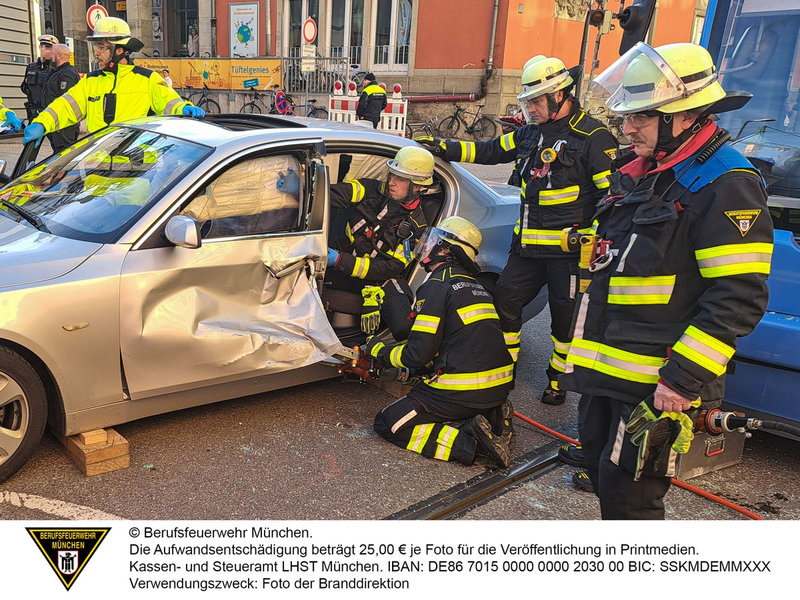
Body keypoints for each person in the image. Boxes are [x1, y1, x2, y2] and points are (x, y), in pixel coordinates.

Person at [559, 42, 773, 519]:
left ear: (687, 116)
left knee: (631, 501)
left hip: (656, 382)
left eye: (642, 116)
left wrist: (682, 380)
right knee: (602, 473)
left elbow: (738, 299)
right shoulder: (653, 172)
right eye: (628, 115)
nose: (627, 127)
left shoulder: (725, 183)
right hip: (610, 374)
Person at [417, 55, 618, 405]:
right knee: (506, 304)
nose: (532, 109)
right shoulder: (529, 135)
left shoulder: (593, 138)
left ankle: (558, 380)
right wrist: (443, 147)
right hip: (526, 251)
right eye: (528, 102)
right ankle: (504, 369)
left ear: (561, 95)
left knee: (565, 321)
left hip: (567, 256)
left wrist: (594, 244)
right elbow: (489, 150)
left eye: (537, 101)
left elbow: (612, 199)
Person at [366, 216, 515, 468]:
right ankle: (491, 415)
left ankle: (474, 444)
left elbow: (417, 355)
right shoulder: (475, 285)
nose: (426, 245)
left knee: (389, 423)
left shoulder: (436, 286)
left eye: (433, 241)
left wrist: (380, 351)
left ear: (446, 249)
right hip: (498, 387)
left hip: (460, 391)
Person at [23, 17, 204, 147]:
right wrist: (42, 123)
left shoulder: (147, 79)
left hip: (137, 174)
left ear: (119, 50)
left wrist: (183, 109)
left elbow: (168, 102)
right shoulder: (91, 81)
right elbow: (65, 107)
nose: (97, 53)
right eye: (96, 47)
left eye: (102, 47)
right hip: (96, 174)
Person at [326, 146, 435, 336]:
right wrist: (305, 189)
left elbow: (390, 268)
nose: (391, 182)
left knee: (402, 326)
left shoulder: (417, 228)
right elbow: (337, 193)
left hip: (366, 278)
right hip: (337, 268)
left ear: (417, 186)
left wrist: (340, 260)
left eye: (400, 179)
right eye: (392, 175)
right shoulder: (370, 189)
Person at [41, 44, 80, 152]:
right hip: (57, 123)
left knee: (64, 153)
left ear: (59, 56)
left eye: (52, 54)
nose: (49, 57)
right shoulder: (56, 72)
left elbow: (68, 103)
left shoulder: (67, 75)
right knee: (58, 153)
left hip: (63, 126)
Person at [20, 34, 58, 123]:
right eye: (46, 47)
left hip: (50, 112)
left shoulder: (56, 69)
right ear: (40, 47)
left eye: (51, 48)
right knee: (32, 136)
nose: (48, 51)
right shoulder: (31, 67)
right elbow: (24, 87)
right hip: (34, 112)